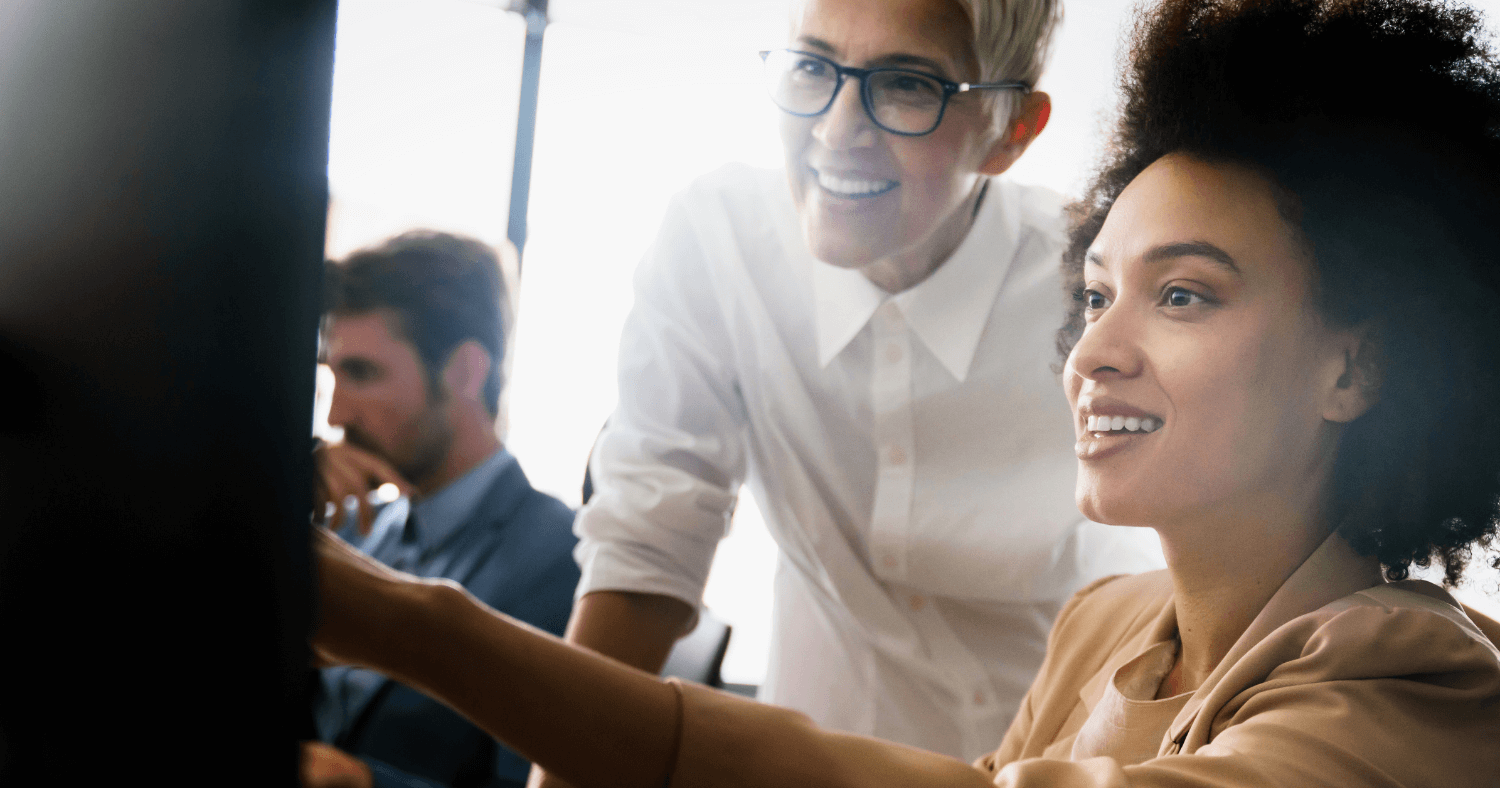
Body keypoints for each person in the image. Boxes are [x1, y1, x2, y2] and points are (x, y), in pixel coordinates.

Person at [307, 0, 1500, 785]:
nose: (1089, 353)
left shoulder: (1416, 686)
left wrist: (416, 624)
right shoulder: (1113, 632)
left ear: (1357, 364)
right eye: (1095, 298)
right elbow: (654, 545)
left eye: (1182, 296)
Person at [561, 0, 1163, 773]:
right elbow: (649, 541)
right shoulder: (719, 240)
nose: (836, 128)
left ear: (1012, 131)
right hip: (807, 764)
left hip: (1047, 765)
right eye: (813, 68)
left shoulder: (1093, 293)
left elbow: (1150, 595)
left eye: (907, 84)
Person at [307, 231, 580, 788]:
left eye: (361, 373)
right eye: (331, 376)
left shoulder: (559, 558)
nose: (335, 414)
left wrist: (359, 782)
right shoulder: (364, 532)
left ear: (465, 372)